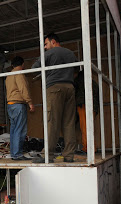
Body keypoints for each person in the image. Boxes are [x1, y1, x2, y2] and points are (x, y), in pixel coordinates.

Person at [31, 33, 78, 163]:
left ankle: (48, 155)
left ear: (53, 41)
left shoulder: (49, 54)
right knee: (69, 123)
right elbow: (77, 70)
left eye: (46, 44)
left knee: (52, 121)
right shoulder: (70, 53)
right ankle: (69, 156)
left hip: (54, 88)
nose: (45, 47)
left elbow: (34, 69)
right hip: (70, 87)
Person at [5, 56, 35, 160]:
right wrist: (30, 102)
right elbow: (23, 89)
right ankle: (17, 154)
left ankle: (14, 153)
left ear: (12, 65)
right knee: (20, 130)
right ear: (22, 64)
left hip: (10, 105)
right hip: (18, 105)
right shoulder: (19, 74)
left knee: (14, 130)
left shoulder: (9, 76)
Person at [74, 70, 99, 154]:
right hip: (94, 107)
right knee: (90, 127)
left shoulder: (78, 81)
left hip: (83, 106)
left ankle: (87, 148)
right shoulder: (94, 83)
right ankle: (92, 147)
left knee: (84, 127)